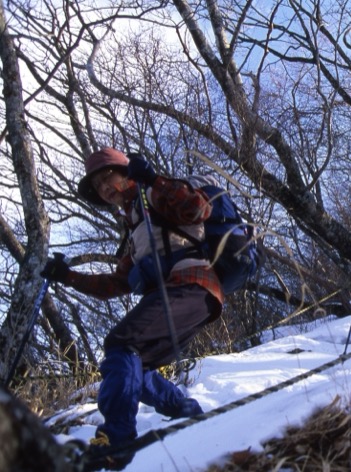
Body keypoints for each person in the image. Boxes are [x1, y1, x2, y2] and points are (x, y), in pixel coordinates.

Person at [40, 147, 222, 468]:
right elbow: (117, 284)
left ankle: (117, 438)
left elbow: (199, 209)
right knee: (135, 367)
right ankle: (186, 410)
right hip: (179, 296)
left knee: (121, 343)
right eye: (97, 186)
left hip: (192, 286)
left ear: (125, 172)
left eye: (107, 177)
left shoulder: (155, 194)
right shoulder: (135, 227)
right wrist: (67, 276)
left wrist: (152, 179)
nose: (104, 188)